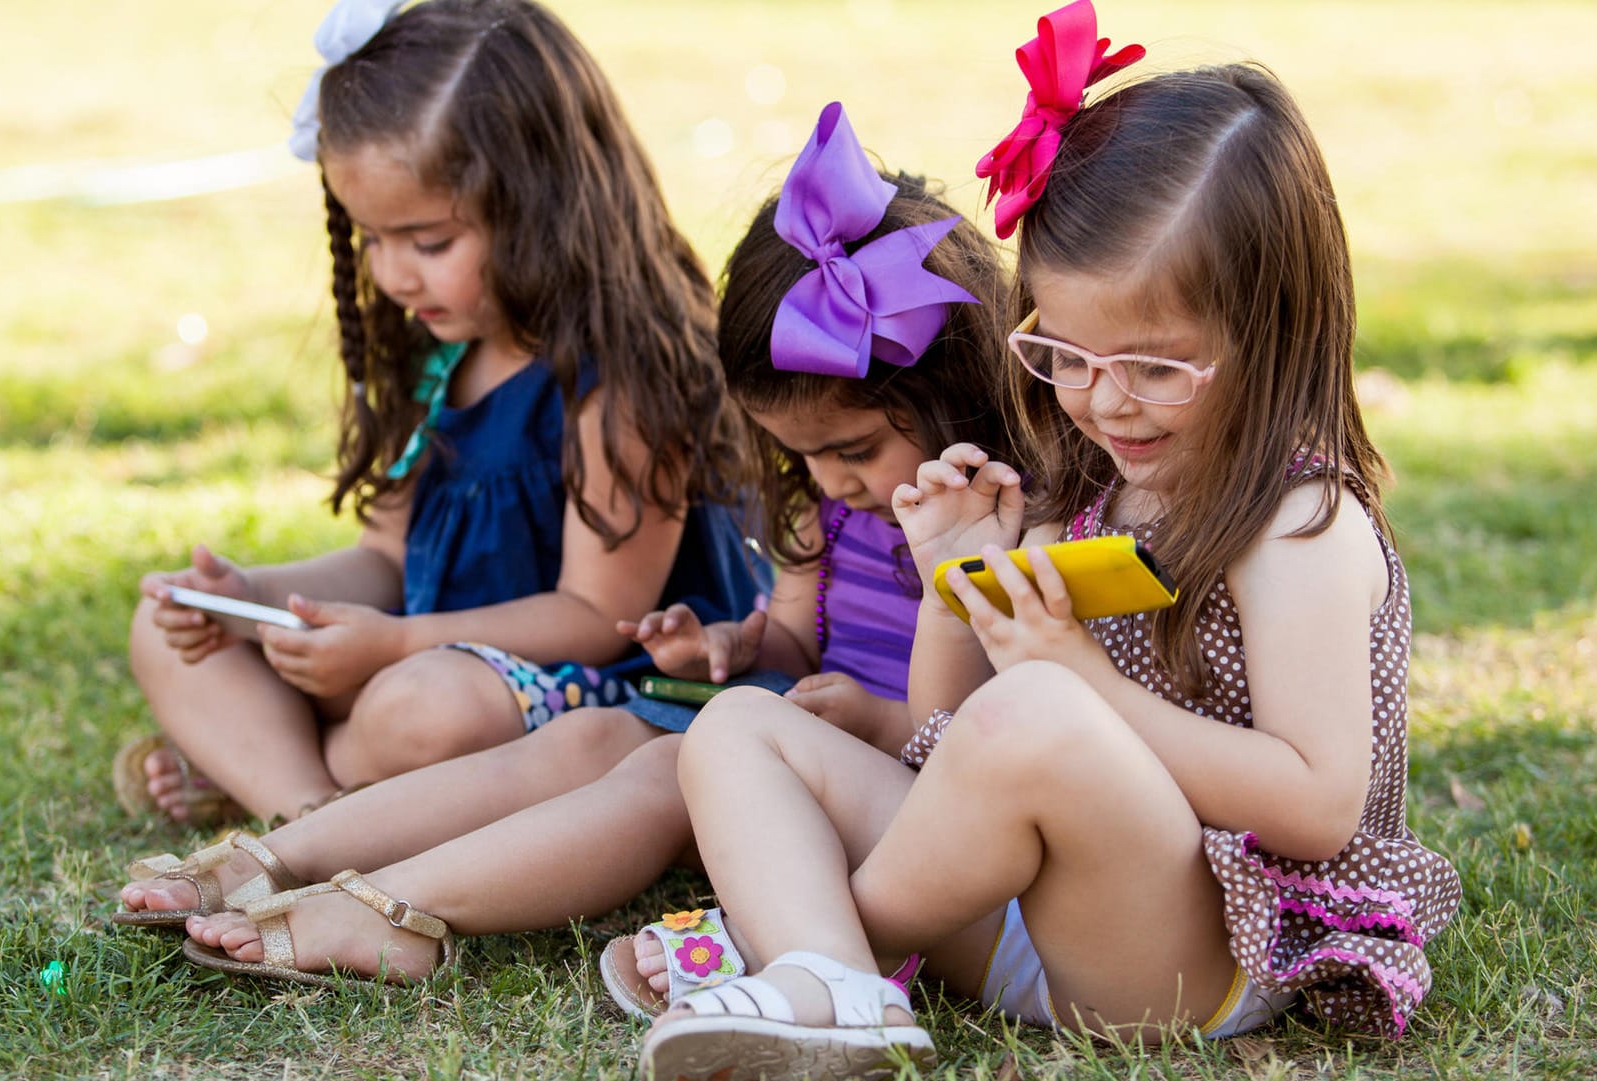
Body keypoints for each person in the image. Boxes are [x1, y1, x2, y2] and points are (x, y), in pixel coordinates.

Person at [637, 5, 1464, 1080]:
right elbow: (944, 742)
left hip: (1196, 952)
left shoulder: (1295, 526)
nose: (1104, 401)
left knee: (1037, 711)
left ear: (1276, 333)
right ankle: (832, 977)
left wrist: (1077, 682)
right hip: (1037, 910)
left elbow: (1315, 805)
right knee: (739, 729)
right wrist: (955, 587)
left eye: (1157, 367)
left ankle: (805, 948)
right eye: (1064, 354)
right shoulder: (1089, 487)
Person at [113, 104, 1031, 998]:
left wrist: (868, 718)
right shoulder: (821, 517)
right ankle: (281, 851)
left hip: (911, 807)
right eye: (800, 455)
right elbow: (793, 646)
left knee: (662, 774)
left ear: (951, 389)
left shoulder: (1008, 525)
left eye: (853, 451)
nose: (828, 482)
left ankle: (399, 907)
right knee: (593, 737)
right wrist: (732, 648)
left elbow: (998, 732)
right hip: (786, 748)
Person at [114, 0, 765, 827]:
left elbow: (594, 619)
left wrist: (389, 647)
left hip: (595, 686)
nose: (392, 275)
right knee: (165, 625)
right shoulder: (438, 353)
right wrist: (253, 595)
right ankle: (306, 813)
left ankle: (275, 772)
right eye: (371, 239)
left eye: (427, 243)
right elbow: (386, 559)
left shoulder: (623, 381)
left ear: (542, 207)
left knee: (421, 708)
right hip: (415, 660)